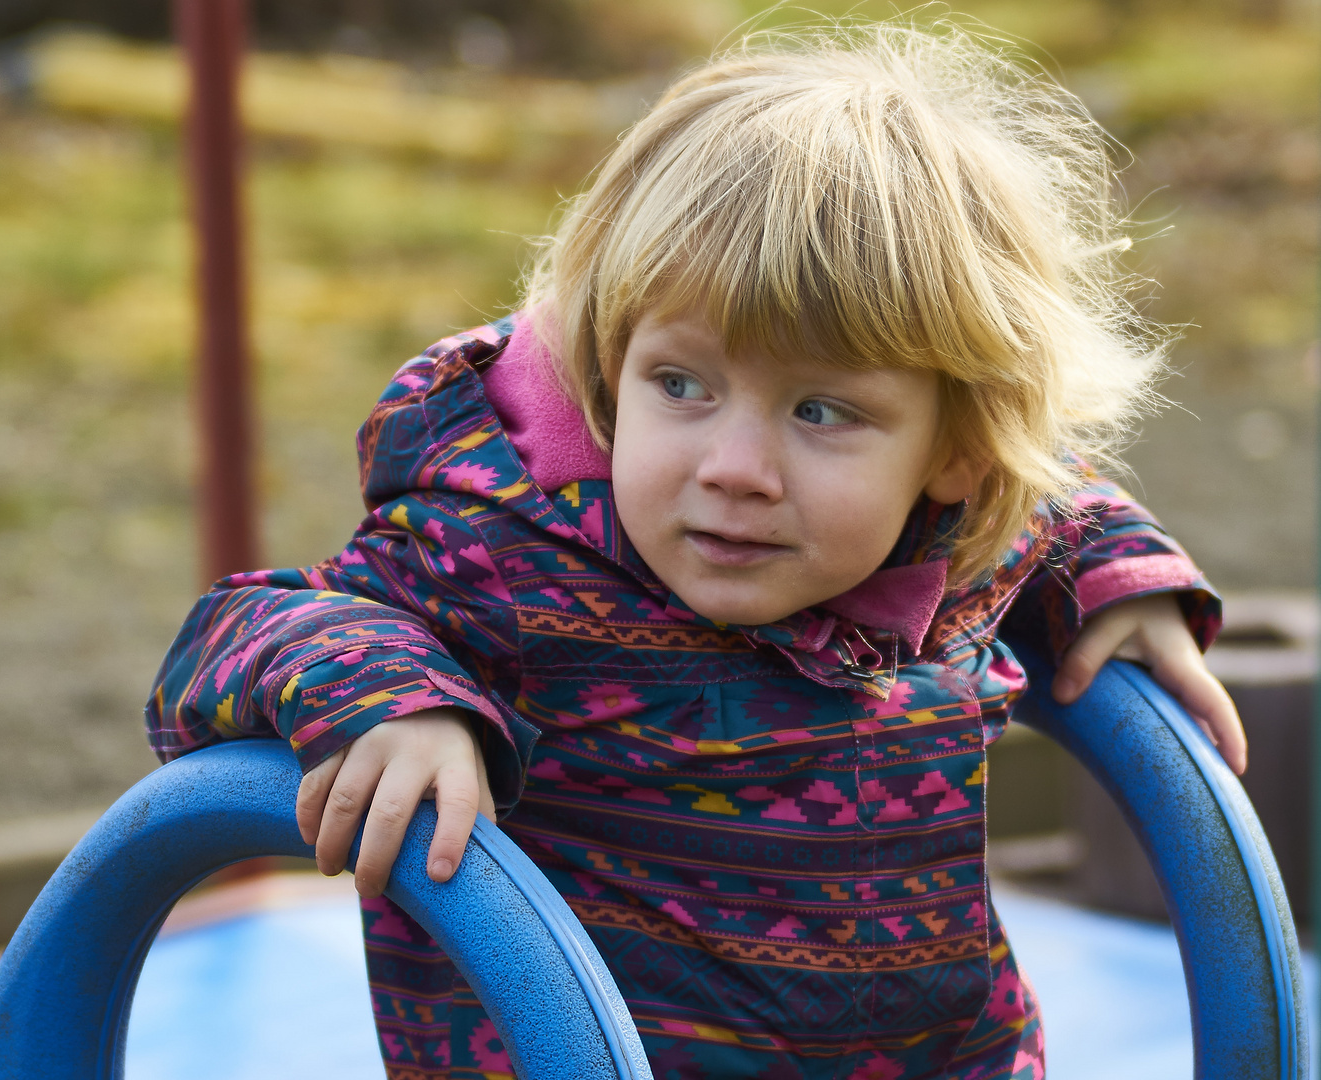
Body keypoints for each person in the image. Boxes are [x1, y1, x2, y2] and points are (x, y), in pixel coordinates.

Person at [146, 22, 1244, 1080]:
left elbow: (1053, 502)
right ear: (610, 366)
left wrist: (1118, 584)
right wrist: (395, 696)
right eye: (681, 385)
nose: (734, 466)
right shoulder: (505, 559)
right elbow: (239, 628)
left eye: (821, 412)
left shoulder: (959, 541)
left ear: (955, 449)